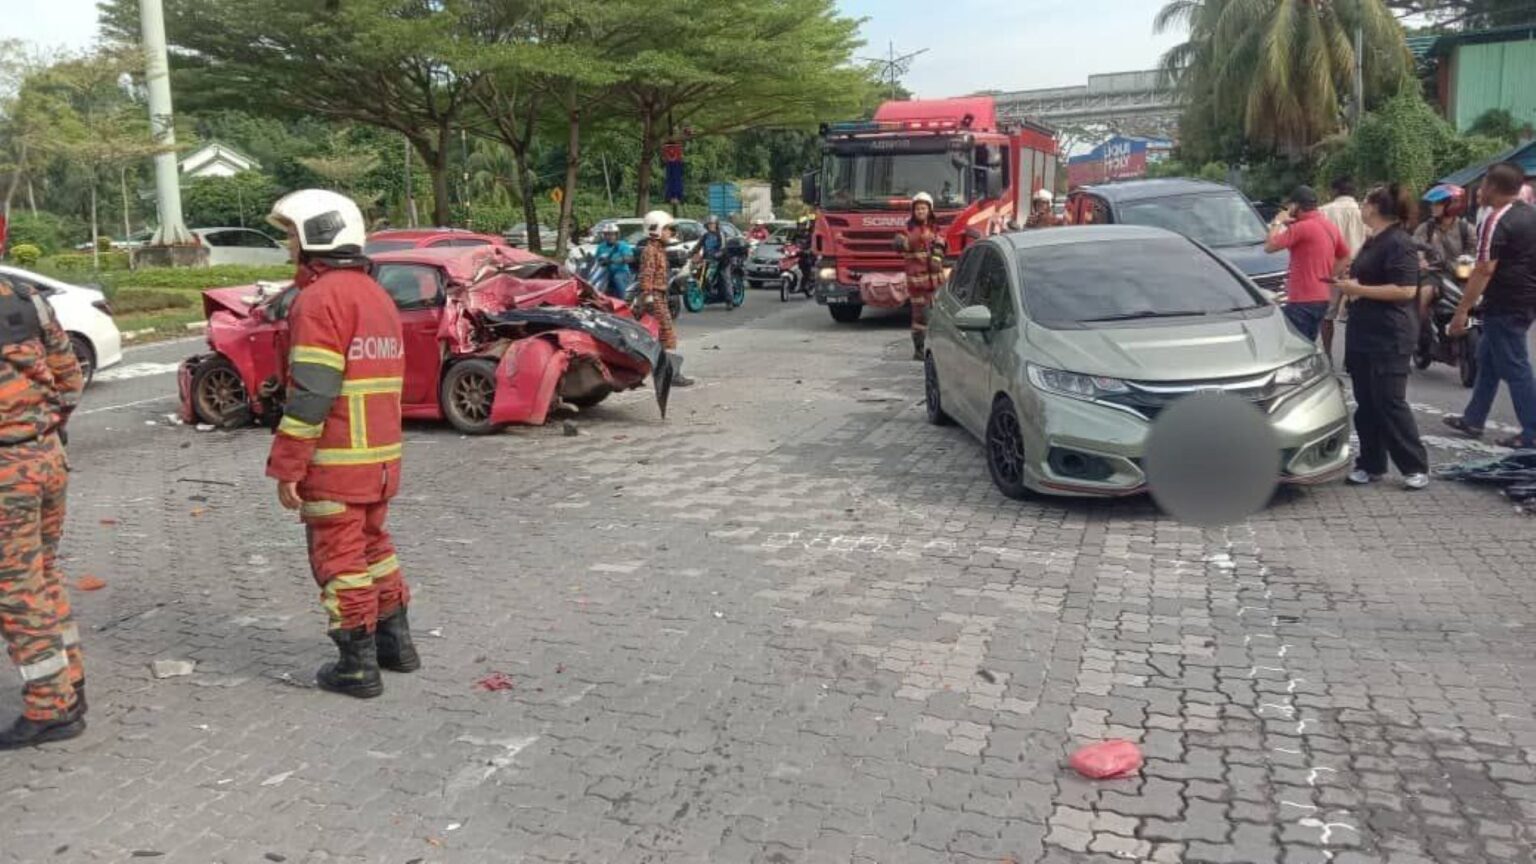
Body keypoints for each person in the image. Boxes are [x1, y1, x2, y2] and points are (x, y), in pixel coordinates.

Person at [264, 189, 418, 699]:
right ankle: (397, 646)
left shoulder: (319, 299)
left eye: (291, 234)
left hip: (335, 460)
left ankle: (357, 667)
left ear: (316, 235)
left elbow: (312, 391)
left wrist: (288, 464)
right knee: (375, 548)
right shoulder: (376, 295)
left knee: (340, 560)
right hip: (380, 460)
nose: (287, 244)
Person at [0, 273, 86, 748]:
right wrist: (47, 428)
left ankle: (51, 708)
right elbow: (69, 376)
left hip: (5, 473)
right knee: (44, 574)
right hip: (46, 456)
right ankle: (70, 681)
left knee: (17, 590)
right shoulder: (25, 297)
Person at [1333, 185, 1431, 490]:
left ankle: (1415, 466)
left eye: (1364, 202)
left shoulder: (1399, 243)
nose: (1361, 208)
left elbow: (1405, 290)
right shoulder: (1372, 241)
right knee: (1367, 402)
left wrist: (1357, 290)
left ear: (1374, 207)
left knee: (1389, 400)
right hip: (1364, 332)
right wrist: (1350, 286)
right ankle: (1371, 464)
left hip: (1390, 334)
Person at [1444, 162, 1536, 449]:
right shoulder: (1529, 215)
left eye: (1482, 185)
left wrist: (1462, 312)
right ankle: (1474, 418)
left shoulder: (1496, 220)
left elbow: (1483, 270)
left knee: (1515, 365)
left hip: (1505, 304)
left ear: (1493, 188)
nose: (1479, 191)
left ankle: (1532, 430)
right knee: (1487, 358)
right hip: (1525, 300)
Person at [1265, 185, 1350, 343]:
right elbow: (1345, 256)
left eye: (1290, 206)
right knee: (1309, 342)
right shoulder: (1329, 226)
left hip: (1301, 299)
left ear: (1296, 206)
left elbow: (1269, 246)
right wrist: (1327, 275)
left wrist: (1277, 221)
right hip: (1322, 297)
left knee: (1298, 345)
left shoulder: (1301, 228)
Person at [639, 210, 693, 387]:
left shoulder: (659, 249)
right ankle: (670, 375)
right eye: (667, 229)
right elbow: (647, 274)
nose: (670, 232)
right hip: (654, 296)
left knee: (659, 336)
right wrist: (648, 297)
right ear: (656, 229)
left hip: (660, 294)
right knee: (666, 335)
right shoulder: (650, 251)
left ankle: (664, 373)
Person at [1412, 184, 1477, 328]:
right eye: (1433, 204)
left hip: (1461, 276)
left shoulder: (1467, 229)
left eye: (1438, 204)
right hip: (1433, 274)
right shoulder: (1425, 228)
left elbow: (1474, 253)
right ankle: (1420, 336)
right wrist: (1421, 259)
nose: (1433, 207)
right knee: (1424, 296)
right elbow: (1416, 246)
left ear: (1452, 205)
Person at [1319, 177, 1369, 358]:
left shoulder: (1324, 211)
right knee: (1357, 316)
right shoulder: (1365, 212)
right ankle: (1352, 358)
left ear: (1334, 191)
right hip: (1360, 268)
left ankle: (1328, 356)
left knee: (1328, 315)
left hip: (1333, 267)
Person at [895, 192, 945, 360]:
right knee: (920, 317)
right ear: (913, 211)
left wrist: (937, 255)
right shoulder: (907, 228)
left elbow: (942, 242)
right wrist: (917, 238)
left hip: (935, 281)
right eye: (918, 209)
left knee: (937, 314)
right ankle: (919, 349)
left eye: (924, 208)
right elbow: (898, 244)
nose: (921, 211)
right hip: (917, 282)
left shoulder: (935, 227)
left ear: (929, 210)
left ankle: (936, 348)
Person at [593, 223, 635, 299]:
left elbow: (630, 258)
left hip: (621, 272)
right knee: (593, 281)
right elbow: (596, 260)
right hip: (606, 272)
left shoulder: (622, 245)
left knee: (617, 278)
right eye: (607, 234)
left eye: (612, 234)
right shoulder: (601, 246)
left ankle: (624, 301)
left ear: (617, 235)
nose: (609, 237)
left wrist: (614, 261)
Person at [695, 215, 726, 297]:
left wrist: (717, 254)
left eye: (713, 224)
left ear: (716, 224)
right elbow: (698, 246)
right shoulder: (705, 235)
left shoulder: (720, 234)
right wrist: (690, 254)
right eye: (709, 224)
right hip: (705, 260)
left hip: (717, 261)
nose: (711, 226)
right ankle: (704, 291)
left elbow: (723, 248)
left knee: (709, 277)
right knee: (696, 273)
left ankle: (715, 292)